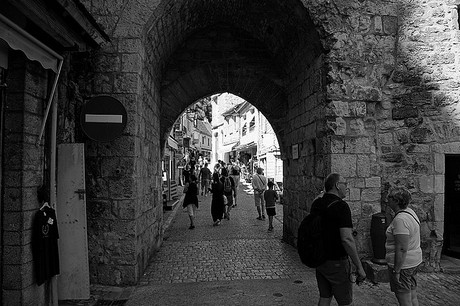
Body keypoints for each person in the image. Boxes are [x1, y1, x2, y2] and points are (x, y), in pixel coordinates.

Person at [312, 173, 366, 306]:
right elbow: (347, 239)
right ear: (337, 185)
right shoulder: (341, 207)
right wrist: (359, 266)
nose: (347, 188)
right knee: (345, 302)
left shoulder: (317, 203)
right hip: (337, 262)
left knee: (325, 297)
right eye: (345, 184)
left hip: (320, 260)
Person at [385, 187, 422, 306]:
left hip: (404, 265)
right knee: (412, 296)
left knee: (404, 300)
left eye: (389, 197)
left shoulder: (400, 219)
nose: (387, 199)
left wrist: (397, 271)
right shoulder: (410, 212)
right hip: (413, 261)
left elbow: (401, 248)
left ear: (396, 201)